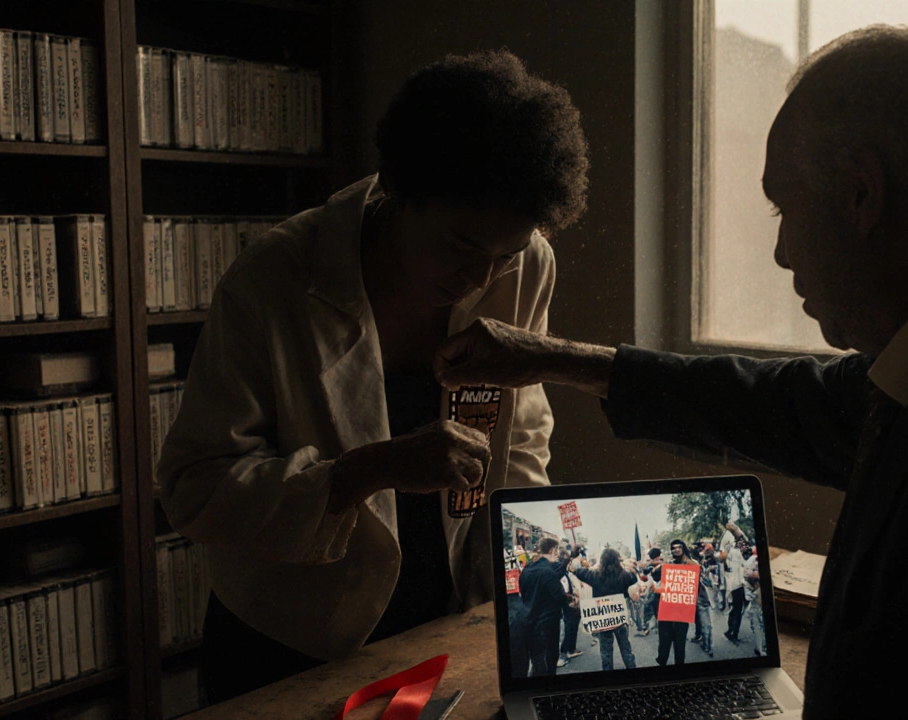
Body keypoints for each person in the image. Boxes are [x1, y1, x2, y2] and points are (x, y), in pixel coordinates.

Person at [433, 25, 908, 719]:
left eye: (784, 207)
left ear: (859, 195)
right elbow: (795, 406)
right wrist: (553, 359)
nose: (779, 253)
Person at [156, 49, 589, 703]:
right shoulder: (274, 279)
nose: (481, 279)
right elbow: (195, 489)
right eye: (462, 248)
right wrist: (364, 472)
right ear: (395, 188)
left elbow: (521, 437)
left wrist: (526, 582)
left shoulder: (526, 262)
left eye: (506, 256)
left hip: (444, 614)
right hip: (291, 636)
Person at [573, 548, 639, 670]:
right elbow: (634, 578)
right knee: (626, 649)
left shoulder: (594, 576)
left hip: (603, 620)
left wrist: (595, 565)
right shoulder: (624, 576)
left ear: (601, 561)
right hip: (620, 618)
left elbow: (578, 571)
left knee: (606, 651)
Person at [520, 538, 571, 676]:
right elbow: (559, 596)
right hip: (548, 626)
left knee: (537, 664)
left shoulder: (527, 570)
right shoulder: (547, 573)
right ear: (553, 550)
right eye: (557, 551)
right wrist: (570, 601)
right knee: (549, 665)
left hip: (529, 623)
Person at [651, 539, 695, 665]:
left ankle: (679, 664)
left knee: (680, 640)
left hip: (682, 609)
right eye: (673, 547)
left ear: (683, 548)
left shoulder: (691, 564)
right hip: (667, 607)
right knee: (664, 638)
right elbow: (658, 581)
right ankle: (662, 661)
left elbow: (695, 583)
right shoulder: (668, 565)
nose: (676, 549)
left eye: (679, 547)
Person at [718, 523, 749, 642]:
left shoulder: (734, 552)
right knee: (737, 609)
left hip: (736, 584)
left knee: (736, 609)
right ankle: (733, 633)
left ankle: (730, 631)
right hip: (737, 584)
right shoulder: (734, 552)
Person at [557, 548, 584, 666]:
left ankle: (570, 649)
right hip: (564, 607)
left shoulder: (565, 574)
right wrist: (571, 597)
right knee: (565, 630)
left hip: (569, 605)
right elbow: (562, 591)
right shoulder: (558, 574)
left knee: (571, 627)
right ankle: (564, 652)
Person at [743, 542, 765, 657]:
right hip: (756, 594)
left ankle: (760, 648)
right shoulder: (752, 560)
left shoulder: (752, 560)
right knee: (757, 623)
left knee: (758, 623)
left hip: (757, 594)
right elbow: (748, 575)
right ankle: (760, 648)